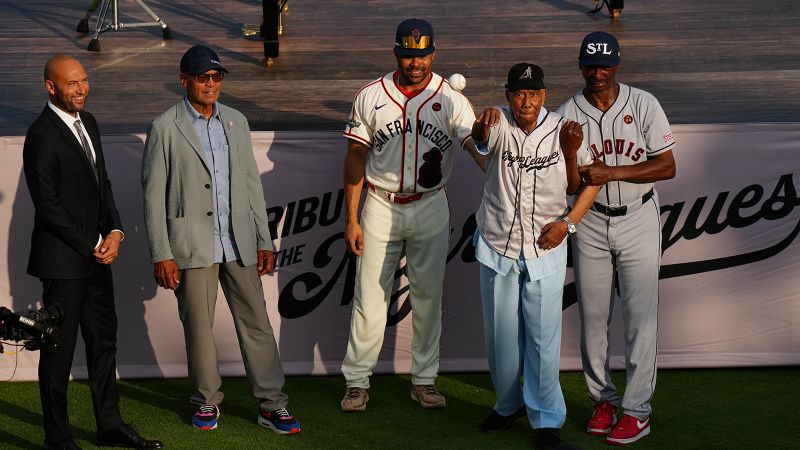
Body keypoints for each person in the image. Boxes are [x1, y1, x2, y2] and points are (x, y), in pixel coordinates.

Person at [141, 45, 300, 434]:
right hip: (191, 244)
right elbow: (152, 196)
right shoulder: (165, 126)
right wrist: (162, 252)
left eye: (216, 78)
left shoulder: (236, 121)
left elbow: (250, 185)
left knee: (257, 323)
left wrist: (264, 239)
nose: (211, 84)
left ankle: (272, 404)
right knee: (198, 326)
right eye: (202, 78)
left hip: (240, 240)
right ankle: (206, 401)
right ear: (185, 81)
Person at [23, 54, 163, 450]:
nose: (82, 89)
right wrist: (91, 243)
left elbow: (103, 186)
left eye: (84, 80)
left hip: (98, 257)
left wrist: (115, 231)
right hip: (64, 261)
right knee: (59, 354)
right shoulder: (40, 135)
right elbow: (47, 205)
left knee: (104, 342)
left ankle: (110, 426)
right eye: (72, 84)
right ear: (51, 87)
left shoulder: (91, 123)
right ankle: (59, 439)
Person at [340, 18, 478, 412]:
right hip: (380, 203)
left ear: (433, 54)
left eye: (422, 55)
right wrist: (352, 218)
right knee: (370, 296)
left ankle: (424, 380)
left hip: (430, 203)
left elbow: (473, 144)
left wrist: (486, 143)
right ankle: (356, 381)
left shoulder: (451, 96)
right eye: (408, 55)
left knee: (428, 296)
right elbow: (355, 156)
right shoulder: (371, 95)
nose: (416, 63)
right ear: (396, 53)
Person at [471, 62, 600, 450]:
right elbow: (479, 141)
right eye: (518, 93)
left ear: (544, 95)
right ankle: (508, 404)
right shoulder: (495, 122)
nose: (525, 101)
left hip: (546, 247)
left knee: (544, 339)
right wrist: (479, 128)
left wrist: (569, 223)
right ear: (508, 94)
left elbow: (585, 184)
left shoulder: (566, 127)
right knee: (501, 339)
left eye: (532, 93)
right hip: (499, 245)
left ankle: (546, 420)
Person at [557, 31, 676, 445]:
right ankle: (602, 399)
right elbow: (572, 185)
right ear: (581, 65)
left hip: (639, 216)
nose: (598, 71)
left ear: (617, 64)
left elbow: (666, 167)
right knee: (593, 319)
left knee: (641, 318)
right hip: (589, 222)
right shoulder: (567, 113)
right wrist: (571, 155)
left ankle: (637, 410)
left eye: (605, 63)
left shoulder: (643, 103)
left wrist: (614, 172)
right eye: (591, 64)